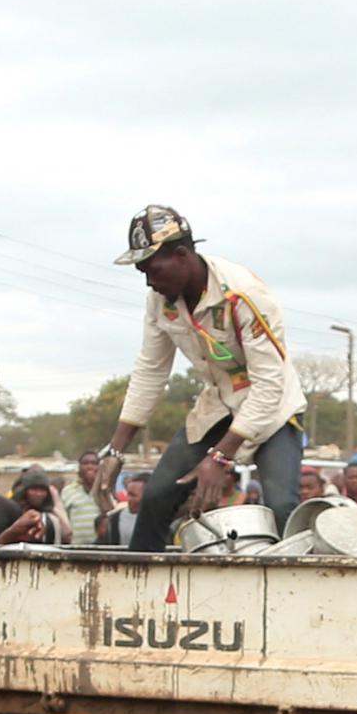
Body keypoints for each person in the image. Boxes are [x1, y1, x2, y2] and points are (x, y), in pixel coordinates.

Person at [103, 205, 309, 549]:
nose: (150, 281)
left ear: (182, 255)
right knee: (157, 496)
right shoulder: (160, 301)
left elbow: (269, 384)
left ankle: (295, 594)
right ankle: (142, 591)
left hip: (272, 409)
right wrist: (115, 450)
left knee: (282, 507)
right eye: (142, 272)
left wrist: (220, 458)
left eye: (153, 269)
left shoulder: (242, 294)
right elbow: (151, 370)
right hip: (219, 403)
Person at [59, 450, 106, 543]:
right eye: (85, 463)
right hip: (75, 550)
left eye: (94, 463)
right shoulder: (68, 492)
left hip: (102, 549)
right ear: (79, 468)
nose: (90, 467)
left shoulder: (106, 491)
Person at [12, 469, 70, 543]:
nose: (38, 494)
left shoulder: (51, 517)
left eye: (42, 490)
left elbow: (67, 535)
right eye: (34, 489)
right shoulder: (13, 512)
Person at [96, 471, 148, 547]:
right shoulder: (114, 520)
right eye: (128, 494)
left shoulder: (161, 520)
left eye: (133, 495)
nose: (128, 498)